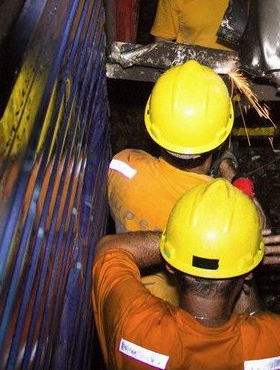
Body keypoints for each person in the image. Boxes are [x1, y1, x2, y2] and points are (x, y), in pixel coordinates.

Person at [92, 179, 280, 369]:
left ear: (170, 265)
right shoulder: (275, 341)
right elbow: (254, 321)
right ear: (249, 272)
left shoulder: (134, 324)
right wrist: (242, 251)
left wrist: (184, 242)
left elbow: (110, 249)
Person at [107, 60, 262, 305]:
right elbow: (255, 222)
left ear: (152, 124)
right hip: (178, 308)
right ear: (221, 137)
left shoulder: (122, 165)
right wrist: (232, 174)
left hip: (129, 295)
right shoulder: (214, 211)